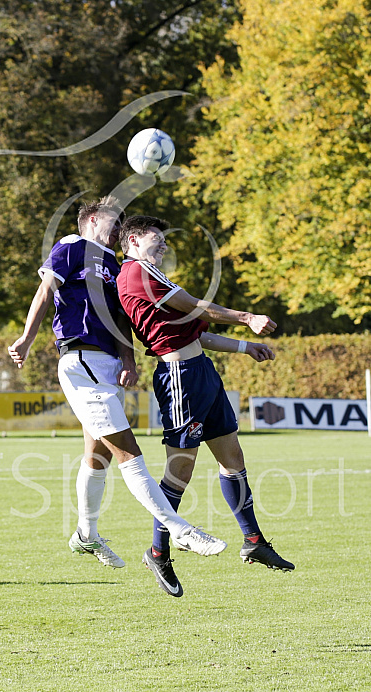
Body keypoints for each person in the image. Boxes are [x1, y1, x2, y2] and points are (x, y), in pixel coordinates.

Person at [8, 195, 230, 570]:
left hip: (107, 365)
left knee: (99, 454)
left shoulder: (114, 264)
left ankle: (86, 534)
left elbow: (120, 317)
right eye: (114, 220)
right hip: (81, 360)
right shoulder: (72, 245)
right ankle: (180, 530)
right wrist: (27, 339)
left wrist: (127, 358)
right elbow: (46, 289)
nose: (118, 228)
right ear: (93, 218)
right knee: (129, 451)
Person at [116, 215, 295, 597]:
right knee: (180, 469)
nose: (163, 245)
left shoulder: (148, 274)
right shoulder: (136, 273)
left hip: (201, 373)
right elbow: (194, 306)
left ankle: (253, 540)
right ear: (133, 239)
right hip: (180, 378)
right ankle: (158, 551)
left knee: (233, 457)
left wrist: (247, 348)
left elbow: (197, 330)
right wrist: (247, 318)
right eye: (156, 238)